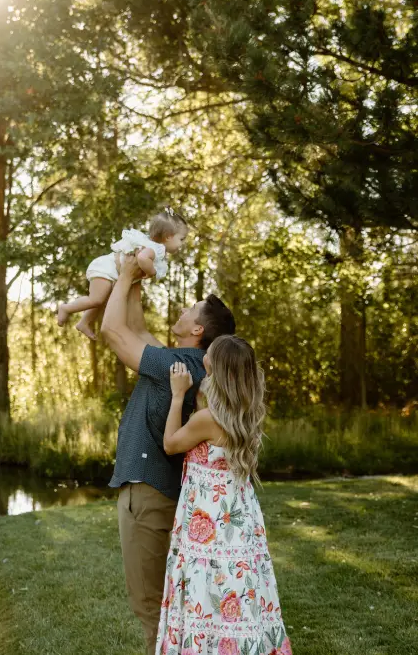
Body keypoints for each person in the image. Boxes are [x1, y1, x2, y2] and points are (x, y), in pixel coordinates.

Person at [100, 254, 236, 655]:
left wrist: (123, 275)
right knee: (157, 602)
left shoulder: (183, 363)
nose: (182, 308)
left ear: (198, 329)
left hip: (148, 493)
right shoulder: (185, 362)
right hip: (155, 491)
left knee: (149, 604)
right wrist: (136, 281)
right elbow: (136, 328)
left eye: (190, 309)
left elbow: (112, 330)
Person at [157, 336, 292, 655]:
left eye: (210, 354)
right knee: (237, 588)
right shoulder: (246, 411)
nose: (204, 356)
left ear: (219, 368)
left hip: (211, 518)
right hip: (238, 516)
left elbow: (171, 444)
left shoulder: (208, 418)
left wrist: (178, 396)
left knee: (207, 586)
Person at [57, 208, 188, 340]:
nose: (182, 244)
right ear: (168, 236)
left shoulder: (149, 244)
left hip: (110, 271)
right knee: (96, 299)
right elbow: (142, 258)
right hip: (105, 269)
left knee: (101, 298)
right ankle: (66, 308)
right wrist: (151, 271)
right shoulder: (155, 249)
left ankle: (84, 322)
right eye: (182, 239)